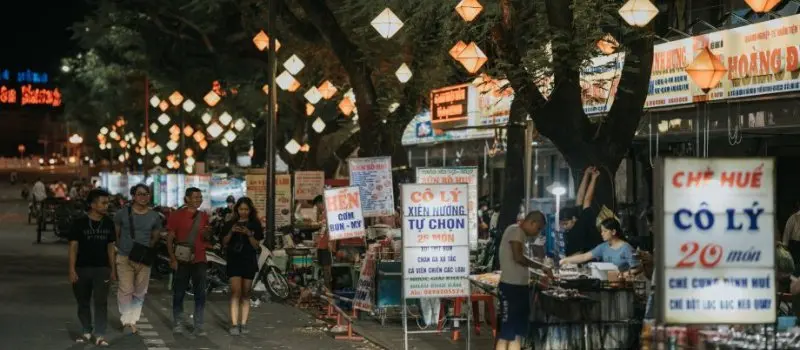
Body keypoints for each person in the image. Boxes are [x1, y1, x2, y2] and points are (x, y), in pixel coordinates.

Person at [68, 189, 116, 347]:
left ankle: (100, 334)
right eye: (103, 202)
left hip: (102, 268)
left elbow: (111, 247)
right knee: (83, 301)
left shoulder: (109, 223)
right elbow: (73, 247)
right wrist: (72, 269)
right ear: (92, 204)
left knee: (101, 302)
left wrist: (113, 269)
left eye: (107, 202)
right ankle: (86, 329)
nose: (106, 205)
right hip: (82, 268)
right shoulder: (79, 223)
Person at [114, 184, 162, 334]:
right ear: (133, 196)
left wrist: (147, 249)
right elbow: (116, 234)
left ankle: (133, 319)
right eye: (140, 194)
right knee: (126, 289)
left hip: (144, 258)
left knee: (140, 291)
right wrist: (122, 247)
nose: (144, 197)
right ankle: (127, 321)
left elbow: (156, 235)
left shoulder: (154, 216)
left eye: (146, 194)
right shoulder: (122, 214)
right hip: (124, 256)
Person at [496, 211, 546, 350]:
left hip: (519, 288)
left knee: (516, 333)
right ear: (532, 222)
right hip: (511, 288)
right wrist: (541, 267)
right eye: (538, 228)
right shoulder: (515, 230)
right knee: (507, 333)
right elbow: (518, 257)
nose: (537, 232)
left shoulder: (520, 234)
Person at [167, 187, 211, 336]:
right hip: (182, 260)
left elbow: (206, 236)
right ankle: (178, 322)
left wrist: (207, 233)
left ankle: (198, 325)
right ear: (187, 199)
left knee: (200, 293)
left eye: (200, 197)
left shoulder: (204, 215)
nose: (199, 200)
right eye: (195, 197)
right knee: (179, 292)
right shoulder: (176, 215)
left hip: (200, 259)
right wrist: (172, 258)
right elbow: (170, 238)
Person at [222, 197, 264, 335]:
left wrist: (249, 234)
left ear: (250, 210)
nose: (243, 212)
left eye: (246, 209)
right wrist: (231, 231)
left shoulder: (255, 224)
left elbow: (257, 246)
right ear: (237, 210)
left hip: (248, 260)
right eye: (241, 209)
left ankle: (243, 324)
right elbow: (224, 243)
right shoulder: (229, 223)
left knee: (246, 293)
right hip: (234, 260)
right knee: (235, 292)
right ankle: (234, 324)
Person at [560, 218, 640, 273]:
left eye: (605, 231)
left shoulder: (626, 248)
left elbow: (638, 268)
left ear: (613, 232)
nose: (602, 234)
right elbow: (584, 257)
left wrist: (624, 274)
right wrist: (566, 260)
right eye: (601, 231)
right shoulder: (603, 247)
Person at [562, 167, 603, 256]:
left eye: (566, 223)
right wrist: (586, 174)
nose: (564, 227)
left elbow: (587, 199)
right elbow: (580, 197)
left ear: (573, 219)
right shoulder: (577, 218)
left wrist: (594, 178)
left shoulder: (583, 221)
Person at [313, 195, 335, 291]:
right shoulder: (323, 213)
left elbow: (327, 228)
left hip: (326, 245)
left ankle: (328, 290)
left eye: (318, 205)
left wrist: (330, 242)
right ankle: (326, 289)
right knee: (324, 268)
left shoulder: (328, 213)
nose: (317, 208)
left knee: (326, 268)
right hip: (322, 245)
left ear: (321, 203)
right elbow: (323, 228)